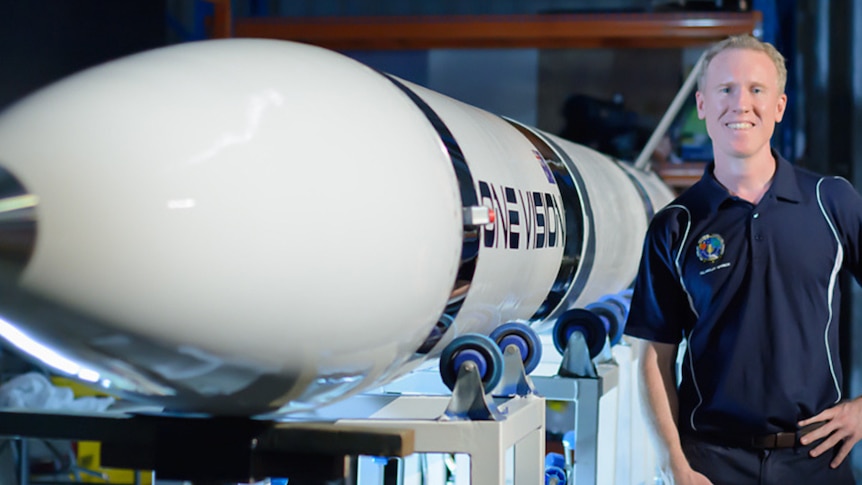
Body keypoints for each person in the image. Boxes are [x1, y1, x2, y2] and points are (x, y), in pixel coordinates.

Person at [624, 34, 862, 484]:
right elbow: (654, 357)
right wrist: (672, 462)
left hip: (816, 460)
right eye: (726, 89)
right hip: (710, 463)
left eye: (757, 90)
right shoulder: (675, 225)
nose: (741, 104)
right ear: (701, 105)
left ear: (779, 106)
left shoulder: (830, 202)